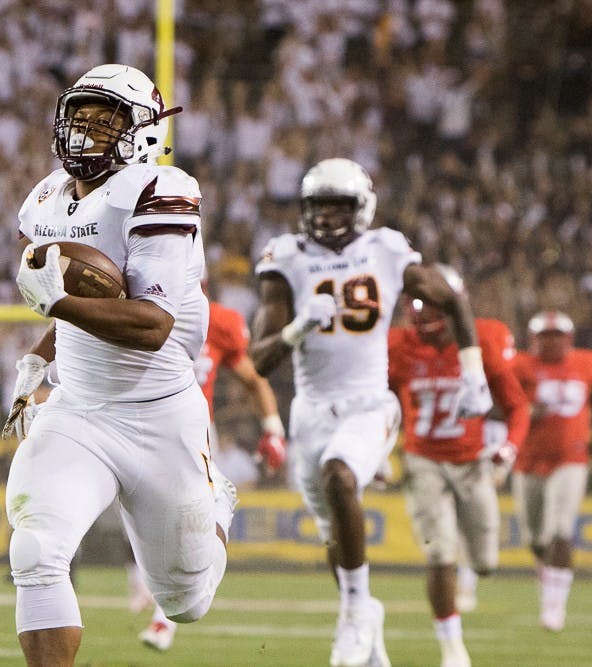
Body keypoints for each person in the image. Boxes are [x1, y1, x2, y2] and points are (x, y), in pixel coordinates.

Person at [2, 64, 236, 667]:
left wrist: (56, 300)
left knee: (186, 603)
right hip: (80, 410)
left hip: (160, 416)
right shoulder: (47, 197)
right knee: (35, 549)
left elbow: (151, 326)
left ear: (142, 132)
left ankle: (219, 505)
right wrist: (38, 360)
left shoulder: (160, 190)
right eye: (79, 118)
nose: (85, 133)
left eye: (105, 122)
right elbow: (84, 307)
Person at [249, 157, 493, 667]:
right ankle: (369, 634)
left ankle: (357, 611)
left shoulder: (384, 248)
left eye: (339, 206)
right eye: (319, 206)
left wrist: (474, 374)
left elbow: (452, 300)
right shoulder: (286, 256)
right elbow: (259, 359)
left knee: (339, 476)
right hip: (311, 412)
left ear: (362, 208)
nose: (328, 218)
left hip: (369, 403)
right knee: (334, 537)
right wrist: (297, 329)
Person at [388, 292, 529, 667]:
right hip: (423, 460)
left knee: (485, 562)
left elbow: (516, 404)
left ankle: (469, 570)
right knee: (439, 554)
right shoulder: (399, 346)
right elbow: (375, 400)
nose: (423, 333)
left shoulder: (484, 340)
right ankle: (452, 647)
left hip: (471, 462)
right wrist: (376, 451)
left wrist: (509, 448)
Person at [138, 296, 287, 652]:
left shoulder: (218, 321)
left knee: (190, 518)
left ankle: (165, 615)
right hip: (138, 425)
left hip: (195, 431)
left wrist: (273, 427)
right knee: (156, 519)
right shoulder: (136, 306)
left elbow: (252, 377)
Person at [511, 310, 592, 632]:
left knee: (560, 530)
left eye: (557, 335)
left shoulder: (584, 363)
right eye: (545, 336)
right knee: (536, 540)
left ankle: (554, 604)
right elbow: (498, 405)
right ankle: (549, 584)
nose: (552, 342)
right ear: (534, 339)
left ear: (568, 339)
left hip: (570, 459)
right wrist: (527, 411)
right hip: (528, 462)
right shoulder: (519, 366)